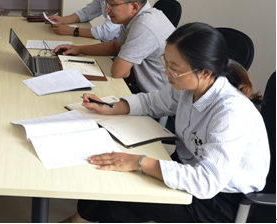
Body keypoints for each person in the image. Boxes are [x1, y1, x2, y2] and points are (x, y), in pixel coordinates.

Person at [62, 22, 270, 223]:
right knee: (113, 182)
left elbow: (207, 181)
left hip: (218, 201)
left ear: (205, 72)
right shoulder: (189, 87)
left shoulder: (231, 113)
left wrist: (138, 162)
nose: (166, 73)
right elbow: (152, 102)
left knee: (117, 202)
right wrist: (110, 107)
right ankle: (77, 221)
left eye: (174, 68)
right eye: (166, 63)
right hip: (187, 166)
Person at [54, 0, 175, 93]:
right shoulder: (137, 18)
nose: (107, 9)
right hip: (146, 90)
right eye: (107, 3)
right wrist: (78, 49)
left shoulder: (144, 26)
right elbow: (115, 47)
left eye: (112, 4)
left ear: (134, 7)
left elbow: (119, 72)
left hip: (158, 99)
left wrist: (126, 68)